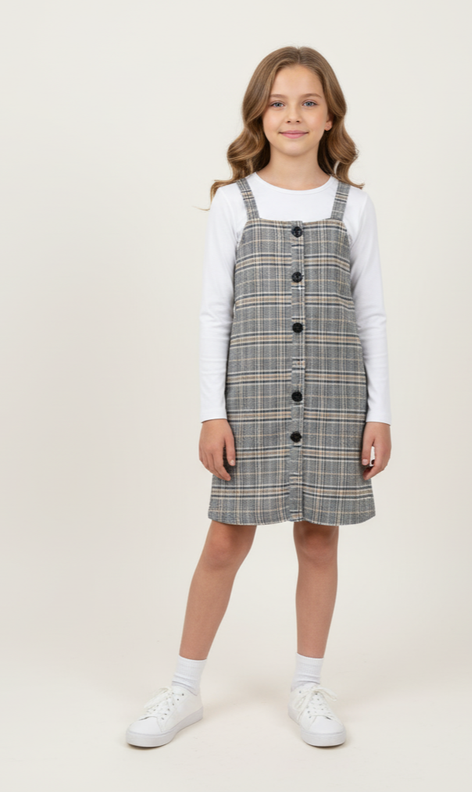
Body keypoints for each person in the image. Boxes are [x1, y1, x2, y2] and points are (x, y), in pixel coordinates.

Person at [126, 45, 392, 750]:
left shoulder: (355, 207)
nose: (292, 115)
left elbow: (370, 315)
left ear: (329, 115)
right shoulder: (233, 203)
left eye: (308, 102)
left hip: (336, 396)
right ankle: (183, 688)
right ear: (258, 114)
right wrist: (211, 412)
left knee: (319, 538)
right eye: (277, 102)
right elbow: (214, 313)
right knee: (224, 541)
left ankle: (308, 685)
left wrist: (380, 414)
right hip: (252, 398)